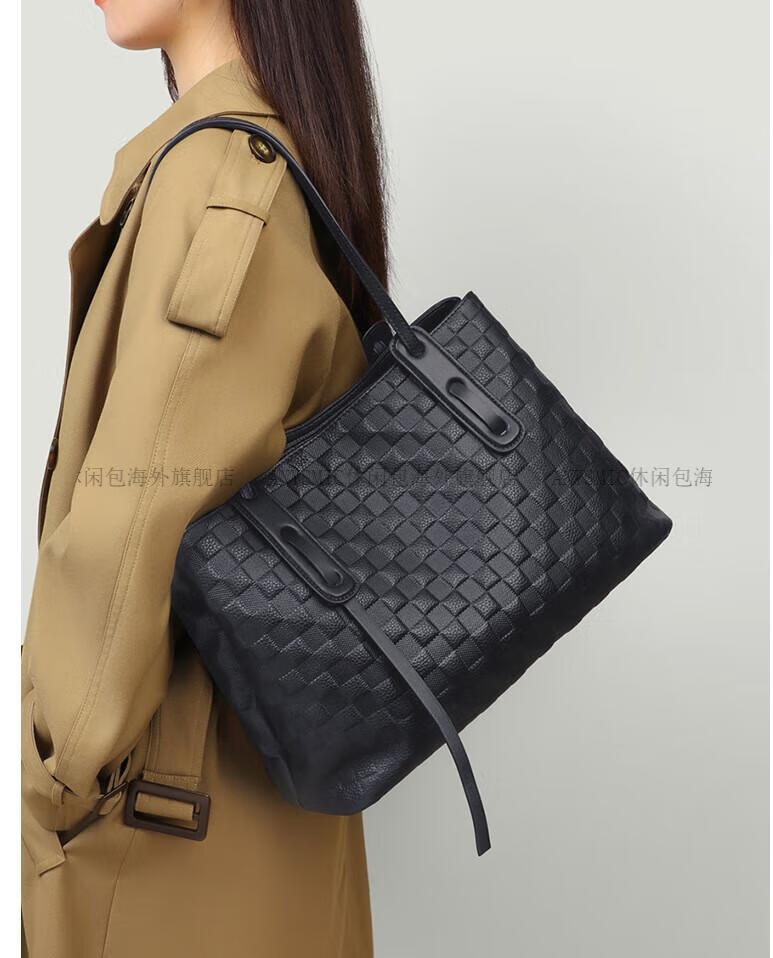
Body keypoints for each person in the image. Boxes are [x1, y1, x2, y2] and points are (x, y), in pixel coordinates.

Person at [21, 2, 387, 955]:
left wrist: (55, 771)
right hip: (258, 808)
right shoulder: (274, 156)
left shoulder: (221, 174)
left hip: (163, 827)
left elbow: (137, 514)